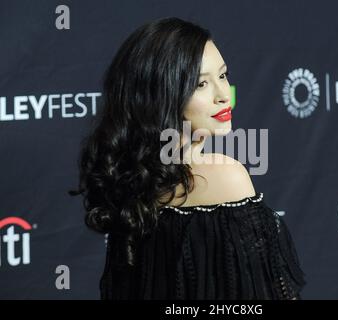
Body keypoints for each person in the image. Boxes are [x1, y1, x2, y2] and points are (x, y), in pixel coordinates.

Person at [69, 17, 305, 300]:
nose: (223, 95)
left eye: (223, 75)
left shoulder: (134, 178)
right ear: (163, 95)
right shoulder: (225, 175)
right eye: (200, 84)